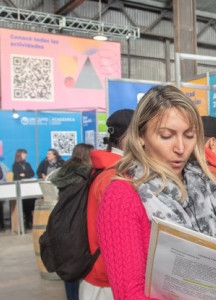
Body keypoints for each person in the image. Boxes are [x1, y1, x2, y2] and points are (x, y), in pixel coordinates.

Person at [96, 85, 216, 300]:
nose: (181, 148)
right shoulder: (123, 196)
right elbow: (130, 294)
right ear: (140, 136)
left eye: (190, 135)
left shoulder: (207, 185)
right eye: (166, 136)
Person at [80, 109, 134, 300]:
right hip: (106, 281)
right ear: (129, 137)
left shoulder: (104, 168)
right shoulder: (114, 177)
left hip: (101, 275)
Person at [50, 142, 95, 300]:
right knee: (79, 267)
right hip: (78, 224)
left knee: (70, 266)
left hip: (63, 223)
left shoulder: (64, 171)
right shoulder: (85, 174)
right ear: (87, 155)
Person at [12, 148, 36, 229]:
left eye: (25, 154)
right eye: (23, 154)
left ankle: (31, 220)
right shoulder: (15, 165)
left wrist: (24, 175)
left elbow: (32, 173)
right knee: (24, 206)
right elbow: (17, 176)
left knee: (30, 204)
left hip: (29, 188)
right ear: (19, 155)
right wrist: (24, 174)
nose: (25, 155)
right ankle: (26, 222)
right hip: (21, 189)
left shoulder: (27, 164)